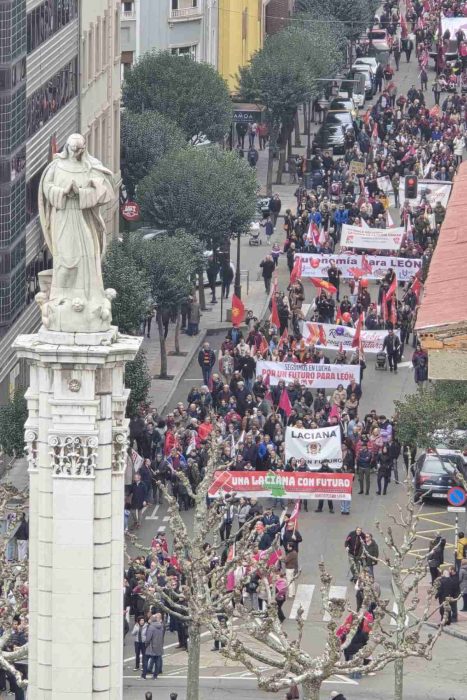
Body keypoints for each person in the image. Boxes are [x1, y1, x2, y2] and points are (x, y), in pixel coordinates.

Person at [142, 612, 165, 679]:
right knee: (157, 660)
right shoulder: (161, 627)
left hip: (151, 647)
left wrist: (146, 644)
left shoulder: (151, 627)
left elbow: (148, 638)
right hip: (158, 646)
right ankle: (155, 675)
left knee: (145, 660)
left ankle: (144, 675)